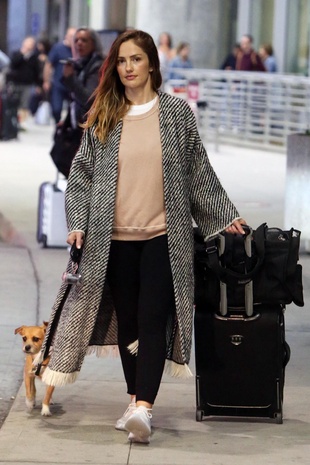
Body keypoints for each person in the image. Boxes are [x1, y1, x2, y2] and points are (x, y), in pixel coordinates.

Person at [36, 29, 246, 444]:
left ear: (152, 63)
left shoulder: (176, 114)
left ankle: (144, 410)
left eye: (135, 59)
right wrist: (77, 221)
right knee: (129, 323)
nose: (128, 68)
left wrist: (224, 216)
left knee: (152, 320)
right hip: (109, 240)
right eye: (121, 61)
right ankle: (134, 401)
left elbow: (198, 173)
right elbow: (80, 176)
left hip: (163, 238)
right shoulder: (104, 113)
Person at [50, 27, 105, 178]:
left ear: (94, 44)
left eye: (84, 40)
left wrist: (70, 79)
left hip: (90, 129)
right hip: (78, 125)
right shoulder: (81, 64)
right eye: (76, 40)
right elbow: (75, 99)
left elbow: (90, 100)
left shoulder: (97, 66)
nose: (79, 44)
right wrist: (67, 121)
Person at [43, 27, 76, 123]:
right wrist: (46, 81)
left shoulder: (78, 49)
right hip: (58, 84)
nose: (72, 39)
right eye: (71, 36)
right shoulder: (58, 48)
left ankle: (69, 127)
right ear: (66, 36)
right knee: (56, 109)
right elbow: (48, 65)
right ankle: (58, 123)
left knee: (74, 110)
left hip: (73, 85)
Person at [5, 36, 42, 122]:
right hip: (15, 82)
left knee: (24, 105)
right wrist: (22, 54)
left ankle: (20, 122)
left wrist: (38, 84)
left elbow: (37, 71)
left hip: (27, 84)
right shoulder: (16, 54)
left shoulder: (34, 57)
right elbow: (13, 64)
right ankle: (12, 122)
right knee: (13, 103)